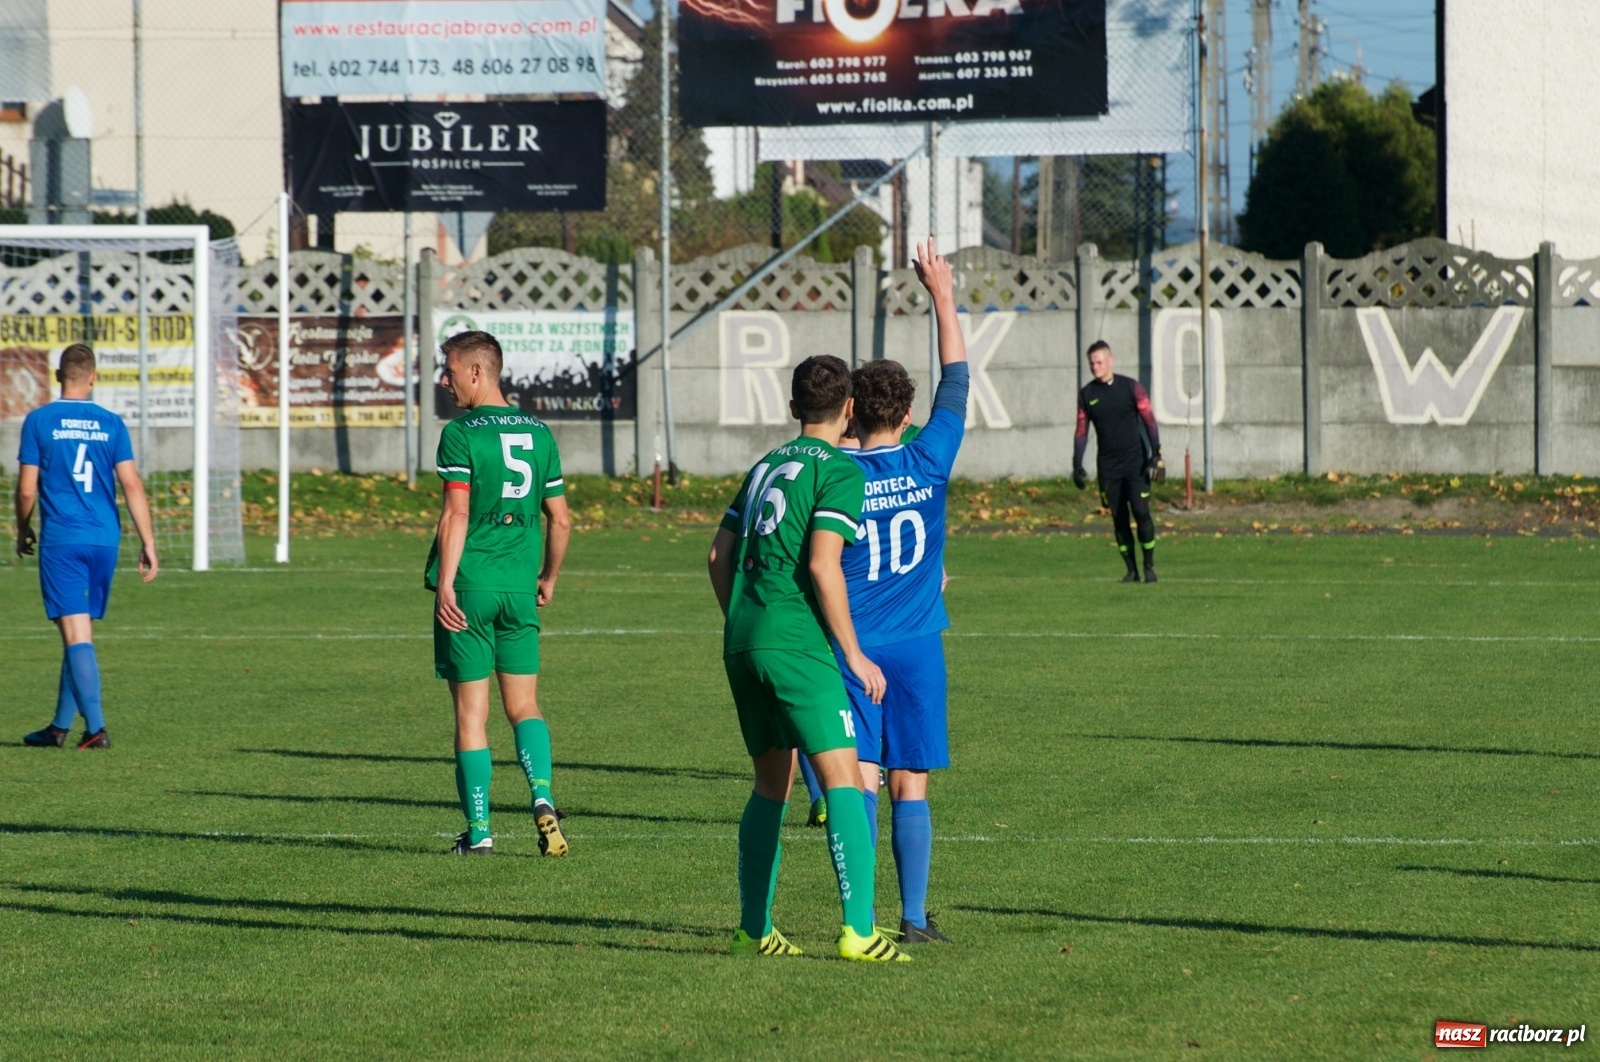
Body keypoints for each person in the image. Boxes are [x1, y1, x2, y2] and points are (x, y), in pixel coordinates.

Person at [708, 354, 907, 963]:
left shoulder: (765, 466)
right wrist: (854, 655)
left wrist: (749, 624)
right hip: (797, 640)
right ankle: (858, 931)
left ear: (793, 408)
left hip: (744, 637)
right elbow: (823, 564)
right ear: (850, 408)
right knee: (847, 779)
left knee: (772, 785)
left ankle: (752, 929)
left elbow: (718, 558)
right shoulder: (840, 472)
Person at [835, 238, 967, 945]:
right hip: (918, 648)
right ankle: (914, 920)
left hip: (854, 648)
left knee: (856, 779)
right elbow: (958, 378)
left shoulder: (835, 477)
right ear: (909, 411)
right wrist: (941, 296)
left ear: (852, 411)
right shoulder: (931, 456)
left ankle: (861, 919)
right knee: (910, 781)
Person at [425, 330, 571, 857]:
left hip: (470, 587)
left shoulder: (461, 433)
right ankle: (542, 796)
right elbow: (560, 519)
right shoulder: (540, 434)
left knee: (471, 715)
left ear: (478, 372)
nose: (445, 379)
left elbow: (457, 511)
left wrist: (445, 582)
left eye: (451, 369)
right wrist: (548, 577)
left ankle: (481, 831)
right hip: (516, 587)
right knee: (525, 705)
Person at [15, 343, 159, 749]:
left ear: (58, 376)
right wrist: (148, 541)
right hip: (104, 539)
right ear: (93, 378)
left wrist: (22, 528)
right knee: (79, 630)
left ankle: (95, 729)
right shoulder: (112, 423)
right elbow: (131, 484)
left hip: (63, 538)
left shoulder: (39, 420)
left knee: (75, 630)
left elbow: (27, 489)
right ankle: (59, 727)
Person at [1072, 341, 1164, 583]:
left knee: (1142, 513)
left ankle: (1149, 566)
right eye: (1091, 363)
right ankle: (1131, 570)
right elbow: (1081, 431)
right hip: (1108, 468)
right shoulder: (1087, 394)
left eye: (1099, 362)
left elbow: (1149, 420)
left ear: (1110, 361)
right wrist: (1077, 463)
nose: (1095, 367)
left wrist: (1156, 453)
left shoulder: (1130, 387)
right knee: (1118, 517)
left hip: (1136, 463)